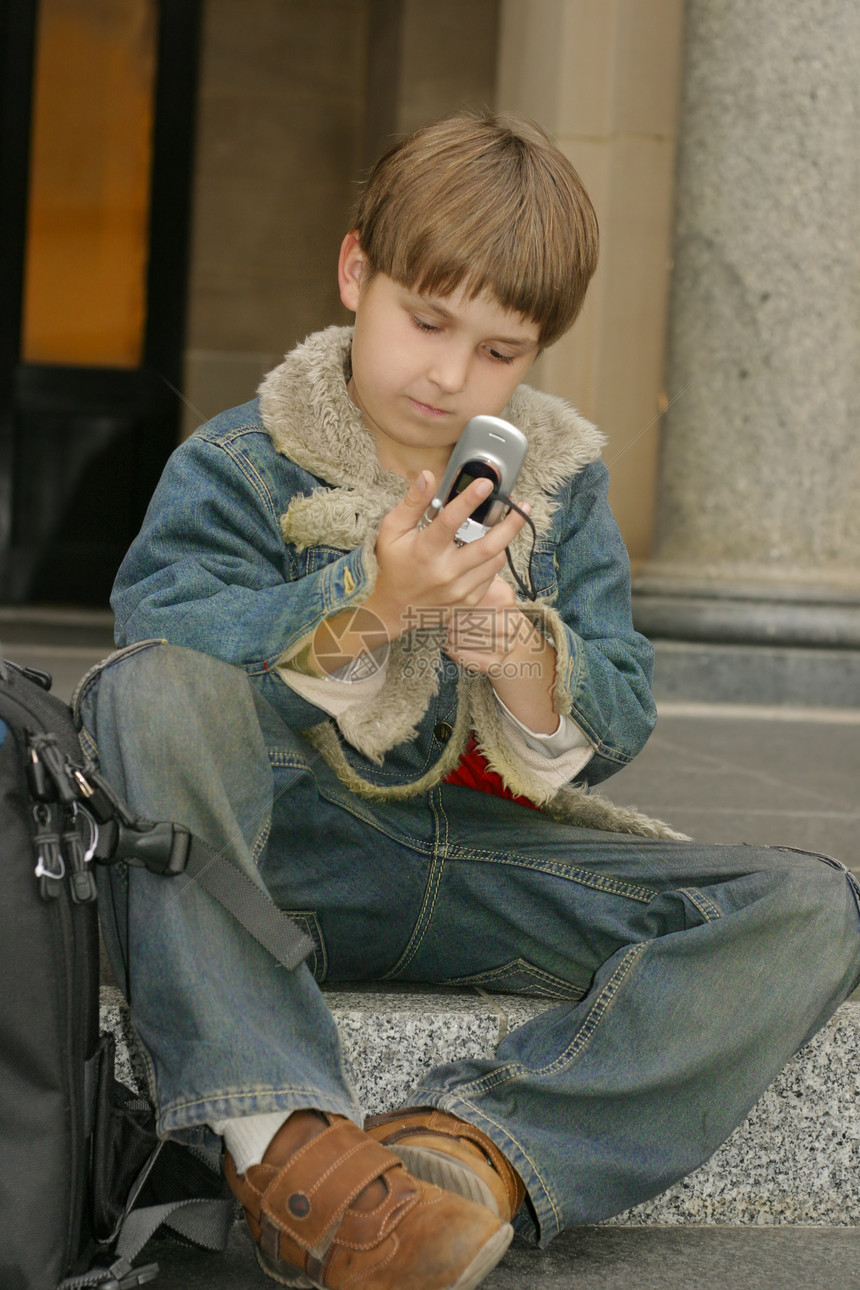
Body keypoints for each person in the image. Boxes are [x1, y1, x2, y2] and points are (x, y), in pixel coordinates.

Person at [76, 113, 860, 1290]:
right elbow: (160, 644)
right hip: (277, 844)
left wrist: (518, 654)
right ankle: (284, 1145)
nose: (449, 375)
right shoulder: (243, 461)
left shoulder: (558, 483)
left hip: (481, 857)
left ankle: (465, 1160)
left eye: (500, 350)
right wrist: (370, 603)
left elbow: (620, 712)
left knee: (810, 907)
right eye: (425, 321)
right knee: (148, 694)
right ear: (356, 275)